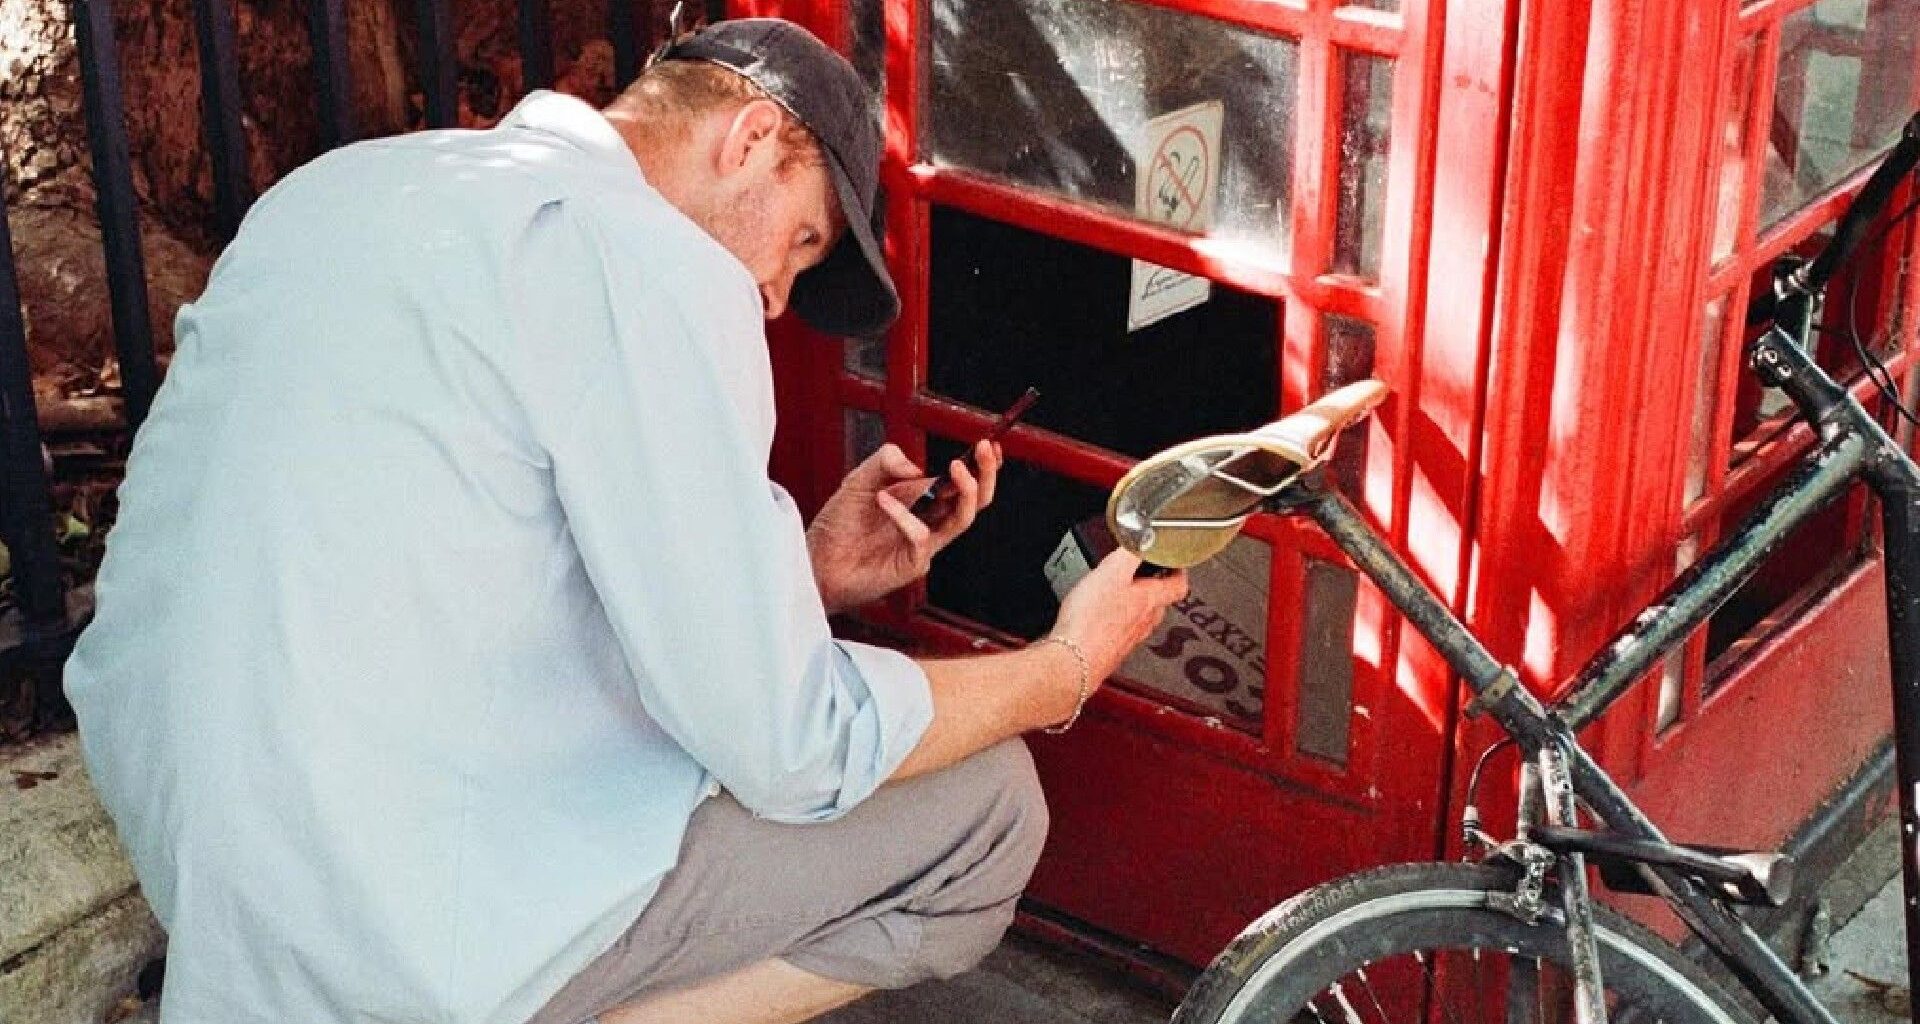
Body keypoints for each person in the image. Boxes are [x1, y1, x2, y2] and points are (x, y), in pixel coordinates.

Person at [64, 17, 1188, 1024]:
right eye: (800, 243)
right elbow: (795, 746)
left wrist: (797, 578)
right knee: (988, 810)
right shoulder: (656, 267)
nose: (777, 300)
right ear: (750, 139)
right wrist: (1065, 667)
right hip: (406, 922)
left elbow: (469, 566)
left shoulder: (351, 185)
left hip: (207, 857)